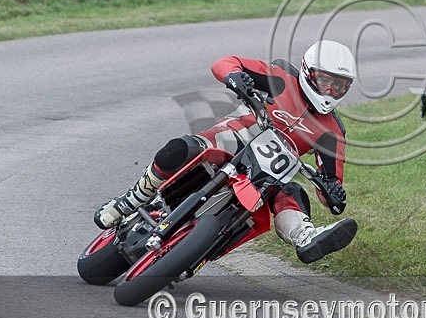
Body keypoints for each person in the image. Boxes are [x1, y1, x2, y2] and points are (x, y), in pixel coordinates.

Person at [94, 40, 358, 264]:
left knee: (293, 192)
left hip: (270, 175)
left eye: (340, 86)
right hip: (234, 138)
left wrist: (333, 193)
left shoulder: (332, 131)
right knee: (180, 148)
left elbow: (332, 187)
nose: (331, 91)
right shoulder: (281, 77)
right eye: (326, 82)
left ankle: (304, 237)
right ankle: (130, 200)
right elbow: (225, 62)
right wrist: (234, 77)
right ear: (308, 72)